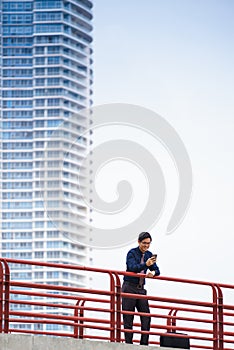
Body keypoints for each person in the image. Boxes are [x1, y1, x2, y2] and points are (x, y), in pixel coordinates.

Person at [122, 232, 160, 345]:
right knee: (128, 317)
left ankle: (144, 344)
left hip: (141, 288)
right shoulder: (132, 253)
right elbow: (132, 268)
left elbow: (157, 270)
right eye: (144, 243)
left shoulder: (149, 254)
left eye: (148, 243)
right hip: (129, 287)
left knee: (146, 316)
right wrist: (146, 265)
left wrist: (153, 272)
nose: (146, 246)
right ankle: (129, 344)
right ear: (139, 242)